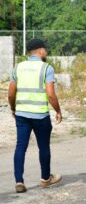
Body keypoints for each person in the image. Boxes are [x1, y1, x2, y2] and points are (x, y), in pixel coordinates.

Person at [8, 39, 63, 193]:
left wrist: (14, 108)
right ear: (39, 51)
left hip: (22, 114)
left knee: (21, 147)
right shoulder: (46, 68)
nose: (46, 51)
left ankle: (19, 182)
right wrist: (58, 111)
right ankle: (45, 179)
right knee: (43, 147)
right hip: (40, 115)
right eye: (45, 49)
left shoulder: (18, 67)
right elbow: (51, 95)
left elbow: (11, 94)